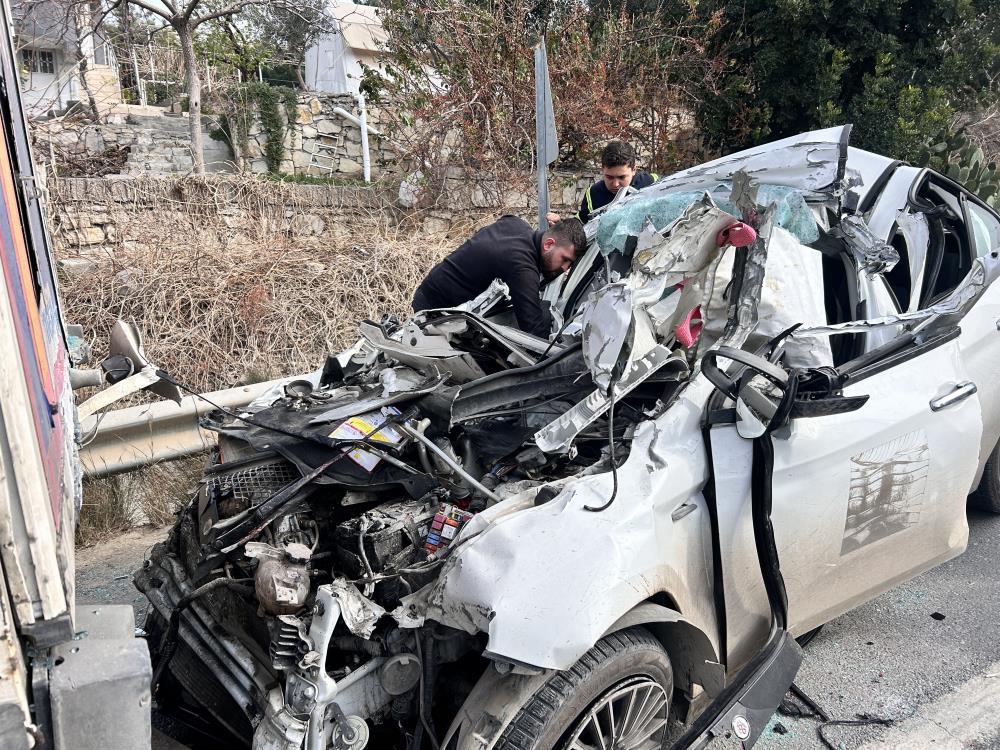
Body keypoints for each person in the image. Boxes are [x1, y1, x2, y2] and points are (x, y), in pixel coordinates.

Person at [412, 216, 586, 339]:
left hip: (430, 289)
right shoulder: (522, 266)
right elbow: (534, 331)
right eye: (564, 260)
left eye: (570, 265)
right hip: (434, 313)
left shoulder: (515, 223)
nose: (565, 269)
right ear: (548, 244)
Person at [547, 140, 657, 226]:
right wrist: (561, 225)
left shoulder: (652, 183)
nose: (615, 184)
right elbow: (581, 225)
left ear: (634, 170)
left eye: (621, 177)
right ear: (602, 169)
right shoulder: (593, 193)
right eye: (609, 177)